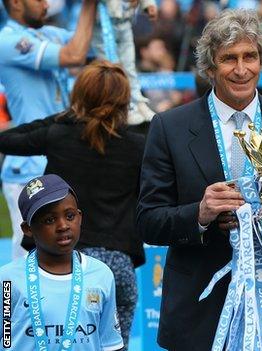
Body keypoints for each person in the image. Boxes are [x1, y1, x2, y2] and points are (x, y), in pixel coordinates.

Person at [136, 9, 262, 350]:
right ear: (210, 67)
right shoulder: (170, 127)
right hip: (201, 310)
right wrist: (200, 214)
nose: (241, 70)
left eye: (250, 57)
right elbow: (148, 220)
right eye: (229, 59)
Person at [0, 60, 146, 349]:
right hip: (116, 265)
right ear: (124, 101)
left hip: (57, 261)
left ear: (78, 98)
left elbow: (7, 139)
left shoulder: (59, 133)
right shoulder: (139, 143)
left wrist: (64, 117)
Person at [0, 0, 97, 260]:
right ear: (16, 3)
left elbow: (92, 47)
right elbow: (75, 55)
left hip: (59, 154)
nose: (46, 4)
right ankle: (7, 300)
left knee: (64, 246)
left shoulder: (51, 33)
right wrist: (90, 4)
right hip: (27, 162)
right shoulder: (7, 41)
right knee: (27, 251)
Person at [0, 174, 124, 350]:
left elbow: (111, 344)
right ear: (27, 229)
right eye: (49, 220)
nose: (63, 226)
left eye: (70, 216)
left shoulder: (101, 274)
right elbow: (5, 337)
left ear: (79, 217)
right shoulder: (7, 280)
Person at [93, 0, 158, 125]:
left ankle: (138, 102)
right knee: (111, 69)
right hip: (103, 23)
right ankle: (121, 107)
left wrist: (148, 4)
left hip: (125, 22)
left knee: (129, 67)